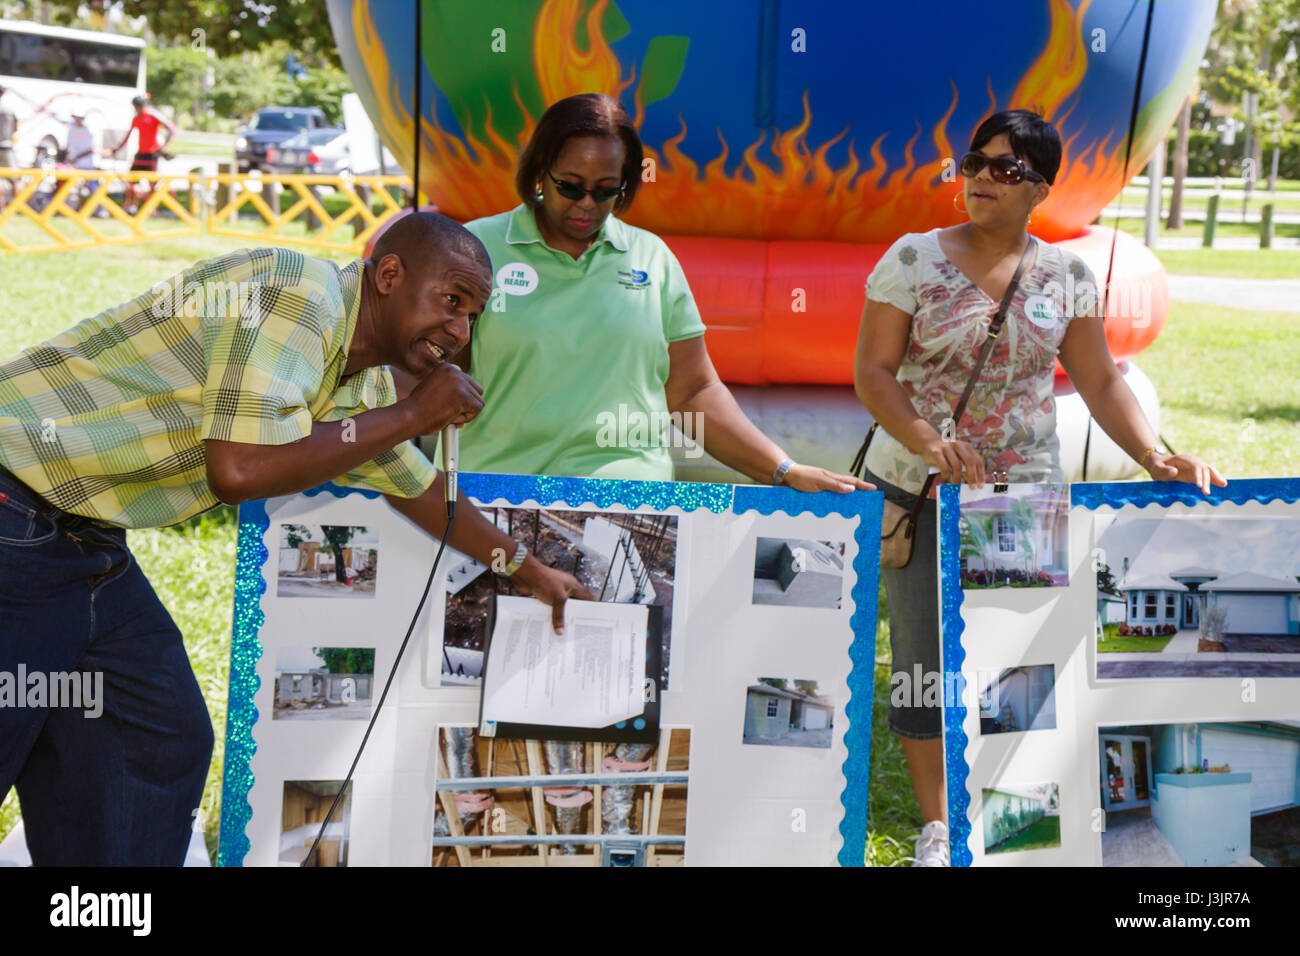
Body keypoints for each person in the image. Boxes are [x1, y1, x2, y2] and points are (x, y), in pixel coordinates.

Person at [0, 212, 587, 865]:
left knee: (153, 737)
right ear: (389, 275)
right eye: (452, 301)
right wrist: (414, 413)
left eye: (474, 316)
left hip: (80, 539)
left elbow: (419, 489)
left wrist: (531, 571)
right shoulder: (297, 294)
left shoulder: (356, 384)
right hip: (13, 503)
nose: (460, 329)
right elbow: (240, 468)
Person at [853, 109, 1226, 866]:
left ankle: (1010, 820)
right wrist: (927, 441)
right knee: (924, 666)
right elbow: (872, 373)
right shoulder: (912, 259)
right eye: (976, 161)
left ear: (1040, 190)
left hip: (1021, 502)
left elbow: (1099, 381)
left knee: (1016, 664)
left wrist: (1160, 456)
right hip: (917, 493)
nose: (983, 177)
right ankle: (938, 829)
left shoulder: (1066, 276)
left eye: (1007, 169)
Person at [394, 93, 868, 492]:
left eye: (606, 191)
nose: (587, 205)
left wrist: (783, 469)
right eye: (571, 187)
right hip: (496, 499)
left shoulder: (652, 258)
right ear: (539, 173)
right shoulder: (474, 249)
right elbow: (411, 366)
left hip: (633, 501)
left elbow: (693, 391)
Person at [110, 94, 176, 213]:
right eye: (135, 107)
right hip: (141, 153)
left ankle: (151, 208)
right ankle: (130, 205)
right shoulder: (136, 119)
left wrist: (163, 146)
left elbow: (171, 129)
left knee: (152, 183)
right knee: (131, 181)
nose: (137, 109)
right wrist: (117, 148)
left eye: (138, 106)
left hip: (152, 154)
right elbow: (128, 135)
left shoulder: (153, 115)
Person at [0, 85, 17, 209]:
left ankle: (2, 207)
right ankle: (19, 208)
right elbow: (16, 127)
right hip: (7, 146)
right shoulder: (9, 109)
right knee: (15, 179)